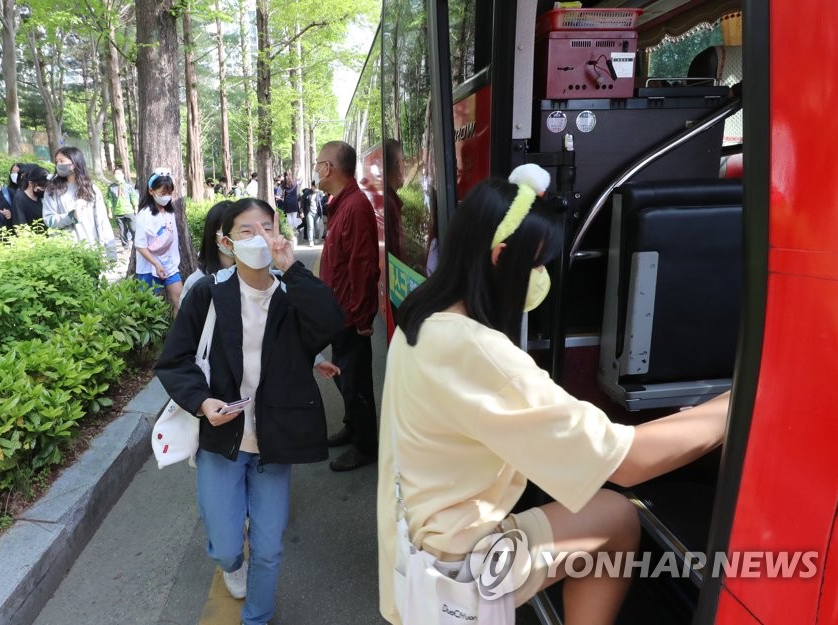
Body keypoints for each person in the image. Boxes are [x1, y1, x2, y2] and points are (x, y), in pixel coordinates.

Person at [376, 167, 731, 625]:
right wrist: (738, 402)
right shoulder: (475, 349)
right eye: (538, 264)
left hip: (412, 554)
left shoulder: (421, 317)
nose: (542, 277)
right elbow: (628, 462)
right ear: (501, 257)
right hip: (459, 569)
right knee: (617, 518)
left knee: (607, 515)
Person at [155, 197, 344, 625]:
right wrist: (203, 402)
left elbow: (331, 324)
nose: (259, 236)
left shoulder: (291, 294)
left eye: (267, 226)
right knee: (225, 546)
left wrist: (292, 268)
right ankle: (230, 566)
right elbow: (175, 360)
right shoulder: (207, 293)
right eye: (246, 230)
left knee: (270, 546)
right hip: (223, 438)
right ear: (226, 241)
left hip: (274, 439)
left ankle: (257, 617)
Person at [315, 141, 381, 471]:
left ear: (329, 168)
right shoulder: (342, 203)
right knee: (344, 377)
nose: (317, 170)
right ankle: (354, 427)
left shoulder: (355, 206)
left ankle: (366, 445)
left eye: (318, 164)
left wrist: (362, 315)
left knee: (355, 381)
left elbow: (365, 266)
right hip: (339, 313)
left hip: (350, 316)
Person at [42, 147, 115, 250]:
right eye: (57, 161)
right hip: (66, 251)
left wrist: (110, 252)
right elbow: (48, 220)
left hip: (92, 249)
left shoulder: (92, 189)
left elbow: (103, 221)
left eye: (62, 161)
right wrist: (71, 217)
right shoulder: (53, 190)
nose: (58, 164)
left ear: (75, 163)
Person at [133, 173, 184, 312]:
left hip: (169, 264)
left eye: (169, 192)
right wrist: (156, 264)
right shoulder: (144, 215)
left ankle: (178, 333)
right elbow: (140, 245)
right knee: (148, 307)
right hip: (149, 268)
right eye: (163, 192)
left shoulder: (169, 213)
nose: (166, 196)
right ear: (151, 191)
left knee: (180, 300)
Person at [181, 200, 236, 297]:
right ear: (213, 236)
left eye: (241, 230)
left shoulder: (250, 276)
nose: (234, 235)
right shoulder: (197, 282)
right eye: (227, 229)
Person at [107, 167, 138, 248]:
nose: (117, 175)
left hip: (129, 211)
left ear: (123, 175)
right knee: (122, 231)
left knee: (133, 229)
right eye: (115, 174)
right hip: (118, 212)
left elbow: (133, 197)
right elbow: (109, 199)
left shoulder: (128, 186)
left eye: (118, 174)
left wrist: (136, 208)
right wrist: (109, 211)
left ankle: (137, 246)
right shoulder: (111, 187)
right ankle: (126, 247)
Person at [11, 166, 49, 232]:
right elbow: (20, 227)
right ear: (31, 183)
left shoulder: (42, 197)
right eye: (42, 187)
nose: (44, 189)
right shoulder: (20, 198)